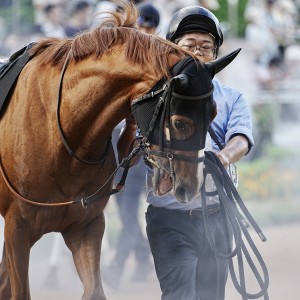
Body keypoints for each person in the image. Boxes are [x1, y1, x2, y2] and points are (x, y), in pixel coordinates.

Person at [118, 5, 254, 300]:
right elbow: (131, 150)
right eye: (190, 44)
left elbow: (241, 138)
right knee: (179, 295)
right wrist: (132, 129)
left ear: (216, 54)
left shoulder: (232, 97)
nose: (198, 51)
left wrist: (223, 157)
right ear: (173, 48)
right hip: (169, 219)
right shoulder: (151, 98)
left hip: (217, 216)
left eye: (206, 46)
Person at [101, 3, 161, 290]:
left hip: (139, 145)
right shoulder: (125, 58)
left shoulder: (157, 63)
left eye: (148, 27)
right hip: (113, 142)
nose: (144, 33)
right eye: (141, 27)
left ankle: (117, 264)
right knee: (122, 206)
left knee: (128, 209)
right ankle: (142, 257)